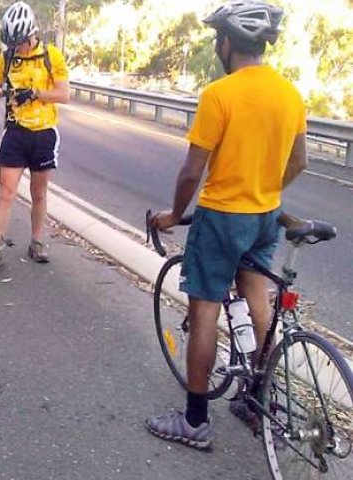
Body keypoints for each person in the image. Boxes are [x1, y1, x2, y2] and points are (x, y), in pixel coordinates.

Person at [145, 1, 308, 450]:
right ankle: (256, 396)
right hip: (264, 216)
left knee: (204, 314)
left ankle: (195, 421)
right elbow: (300, 161)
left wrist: (175, 215)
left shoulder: (220, 94)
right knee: (257, 298)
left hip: (220, 218)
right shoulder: (290, 95)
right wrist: (266, 189)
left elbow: (191, 173)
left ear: (227, 42)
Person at [0, 1, 70, 263]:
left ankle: (37, 241)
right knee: (6, 192)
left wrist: (34, 93)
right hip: (15, 132)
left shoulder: (51, 56)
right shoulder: (7, 58)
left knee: (39, 193)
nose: (15, 49)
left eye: (19, 43)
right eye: (11, 45)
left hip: (44, 134)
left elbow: (64, 94)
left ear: (31, 34)